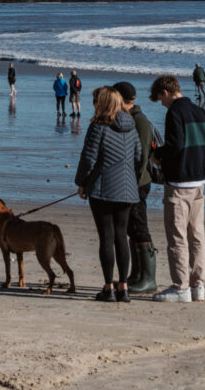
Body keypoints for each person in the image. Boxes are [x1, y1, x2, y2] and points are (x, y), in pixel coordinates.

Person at [150, 72, 205, 303]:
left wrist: (157, 154)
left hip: (179, 183)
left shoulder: (175, 112)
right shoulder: (200, 111)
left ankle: (181, 287)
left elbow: (175, 145)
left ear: (166, 93)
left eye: (160, 100)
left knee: (177, 237)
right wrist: (204, 164)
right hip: (199, 182)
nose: (162, 105)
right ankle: (198, 285)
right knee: (197, 235)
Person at [76, 86, 142, 302]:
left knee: (107, 236)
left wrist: (81, 182)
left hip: (103, 188)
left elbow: (88, 158)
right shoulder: (131, 126)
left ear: (102, 103)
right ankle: (123, 287)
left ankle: (109, 287)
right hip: (127, 188)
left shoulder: (98, 127)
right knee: (121, 236)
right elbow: (138, 156)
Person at [113, 81, 160, 295]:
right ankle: (136, 274)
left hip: (138, 183)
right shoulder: (128, 118)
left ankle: (149, 279)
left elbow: (140, 159)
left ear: (122, 98)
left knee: (139, 227)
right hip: (130, 183)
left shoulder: (139, 121)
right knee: (131, 228)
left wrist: (129, 182)